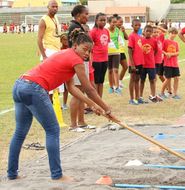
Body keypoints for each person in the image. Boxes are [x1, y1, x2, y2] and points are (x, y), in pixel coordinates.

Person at [7, 30, 116, 182]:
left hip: (20, 85)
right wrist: (107, 109)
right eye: (84, 49)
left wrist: (92, 105)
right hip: (33, 88)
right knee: (52, 130)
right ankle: (57, 175)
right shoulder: (75, 60)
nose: (87, 54)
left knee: (20, 133)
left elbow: (72, 88)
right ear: (75, 45)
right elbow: (89, 88)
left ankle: (12, 174)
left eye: (89, 51)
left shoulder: (65, 54)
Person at [68, 5, 95, 132]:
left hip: (82, 62)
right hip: (76, 62)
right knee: (77, 93)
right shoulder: (75, 27)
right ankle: (73, 124)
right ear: (78, 14)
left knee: (81, 92)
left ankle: (82, 122)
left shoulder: (78, 27)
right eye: (86, 14)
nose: (87, 16)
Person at [37, 0, 64, 99]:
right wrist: (44, 55)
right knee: (49, 81)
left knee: (56, 80)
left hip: (57, 51)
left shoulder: (56, 18)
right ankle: (48, 105)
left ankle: (54, 105)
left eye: (56, 7)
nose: (55, 8)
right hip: (48, 51)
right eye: (53, 6)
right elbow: (39, 38)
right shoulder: (43, 20)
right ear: (48, 7)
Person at [90, 12, 110, 98]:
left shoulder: (106, 31)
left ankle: (100, 99)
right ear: (96, 21)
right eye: (101, 20)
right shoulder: (93, 31)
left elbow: (106, 44)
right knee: (96, 82)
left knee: (101, 81)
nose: (103, 22)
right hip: (96, 60)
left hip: (105, 59)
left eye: (104, 20)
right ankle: (96, 100)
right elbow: (89, 46)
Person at [140, 25, 160, 103]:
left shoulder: (154, 41)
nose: (148, 33)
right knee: (142, 80)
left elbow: (155, 51)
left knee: (152, 80)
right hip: (142, 64)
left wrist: (150, 57)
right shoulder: (140, 40)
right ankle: (140, 96)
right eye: (146, 31)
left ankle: (153, 95)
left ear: (152, 33)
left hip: (151, 64)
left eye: (150, 31)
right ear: (144, 31)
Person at [159, 27, 180, 100]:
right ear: (169, 33)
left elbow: (178, 52)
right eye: (172, 33)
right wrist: (166, 53)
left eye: (175, 34)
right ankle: (161, 93)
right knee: (168, 79)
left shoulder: (176, 43)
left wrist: (172, 54)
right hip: (167, 64)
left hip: (175, 64)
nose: (173, 35)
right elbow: (161, 50)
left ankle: (175, 94)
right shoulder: (165, 41)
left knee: (177, 78)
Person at [128, 19, 144, 105]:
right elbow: (129, 51)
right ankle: (131, 98)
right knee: (132, 79)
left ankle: (137, 97)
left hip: (140, 62)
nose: (137, 27)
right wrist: (132, 64)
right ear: (132, 26)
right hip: (133, 63)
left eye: (139, 25)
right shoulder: (131, 36)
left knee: (137, 79)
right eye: (136, 25)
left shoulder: (139, 36)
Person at [107, 15, 122, 94]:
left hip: (116, 52)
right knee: (109, 71)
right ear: (109, 23)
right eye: (113, 22)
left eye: (115, 22)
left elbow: (119, 40)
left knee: (115, 70)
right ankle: (111, 87)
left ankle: (117, 87)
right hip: (108, 53)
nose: (114, 24)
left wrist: (120, 46)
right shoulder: (106, 30)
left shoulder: (117, 30)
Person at [116, 15, 129, 89]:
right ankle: (115, 84)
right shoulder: (113, 30)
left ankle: (119, 81)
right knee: (115, 69)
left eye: (122, 22)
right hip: (115, 51)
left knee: (125, 67)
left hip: (121, 51)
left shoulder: (121, 30)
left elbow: (127, 38)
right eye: (120, 22)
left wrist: (124, 31)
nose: (121, 23)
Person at [60, 33, 69, 110]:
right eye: (64, 40)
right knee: (61, 88)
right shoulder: (59, 49)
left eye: (67, 39)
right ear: (61, 41)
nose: (66, 41)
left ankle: (64, 103)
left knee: (66, 89)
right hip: (61, 71)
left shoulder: (70, 49)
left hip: (68, 71)